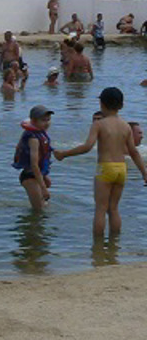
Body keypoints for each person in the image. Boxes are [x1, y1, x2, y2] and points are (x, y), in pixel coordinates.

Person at [54, 87, 147, 237]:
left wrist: (64, 154)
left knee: (101, 209)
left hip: (105, 168)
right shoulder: (125, 126)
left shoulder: (99, 124)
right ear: (121, 106)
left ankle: (97, 248)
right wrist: (144, 172)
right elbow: (134, 152)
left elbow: (87, 147)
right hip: (121, 169)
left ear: (101, 104)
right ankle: (114, 244)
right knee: (114, 209)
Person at [13, 106, 54, 211]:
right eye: (43, 120)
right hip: (29, 177)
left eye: (48, 120)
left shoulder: (40, 133)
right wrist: (44, 188)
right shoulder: (33, 138)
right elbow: (34, 164)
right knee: (38, 212)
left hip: (36, 175)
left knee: (43, 208)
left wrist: (44, 176)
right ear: (34, 121)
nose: (47, 123)